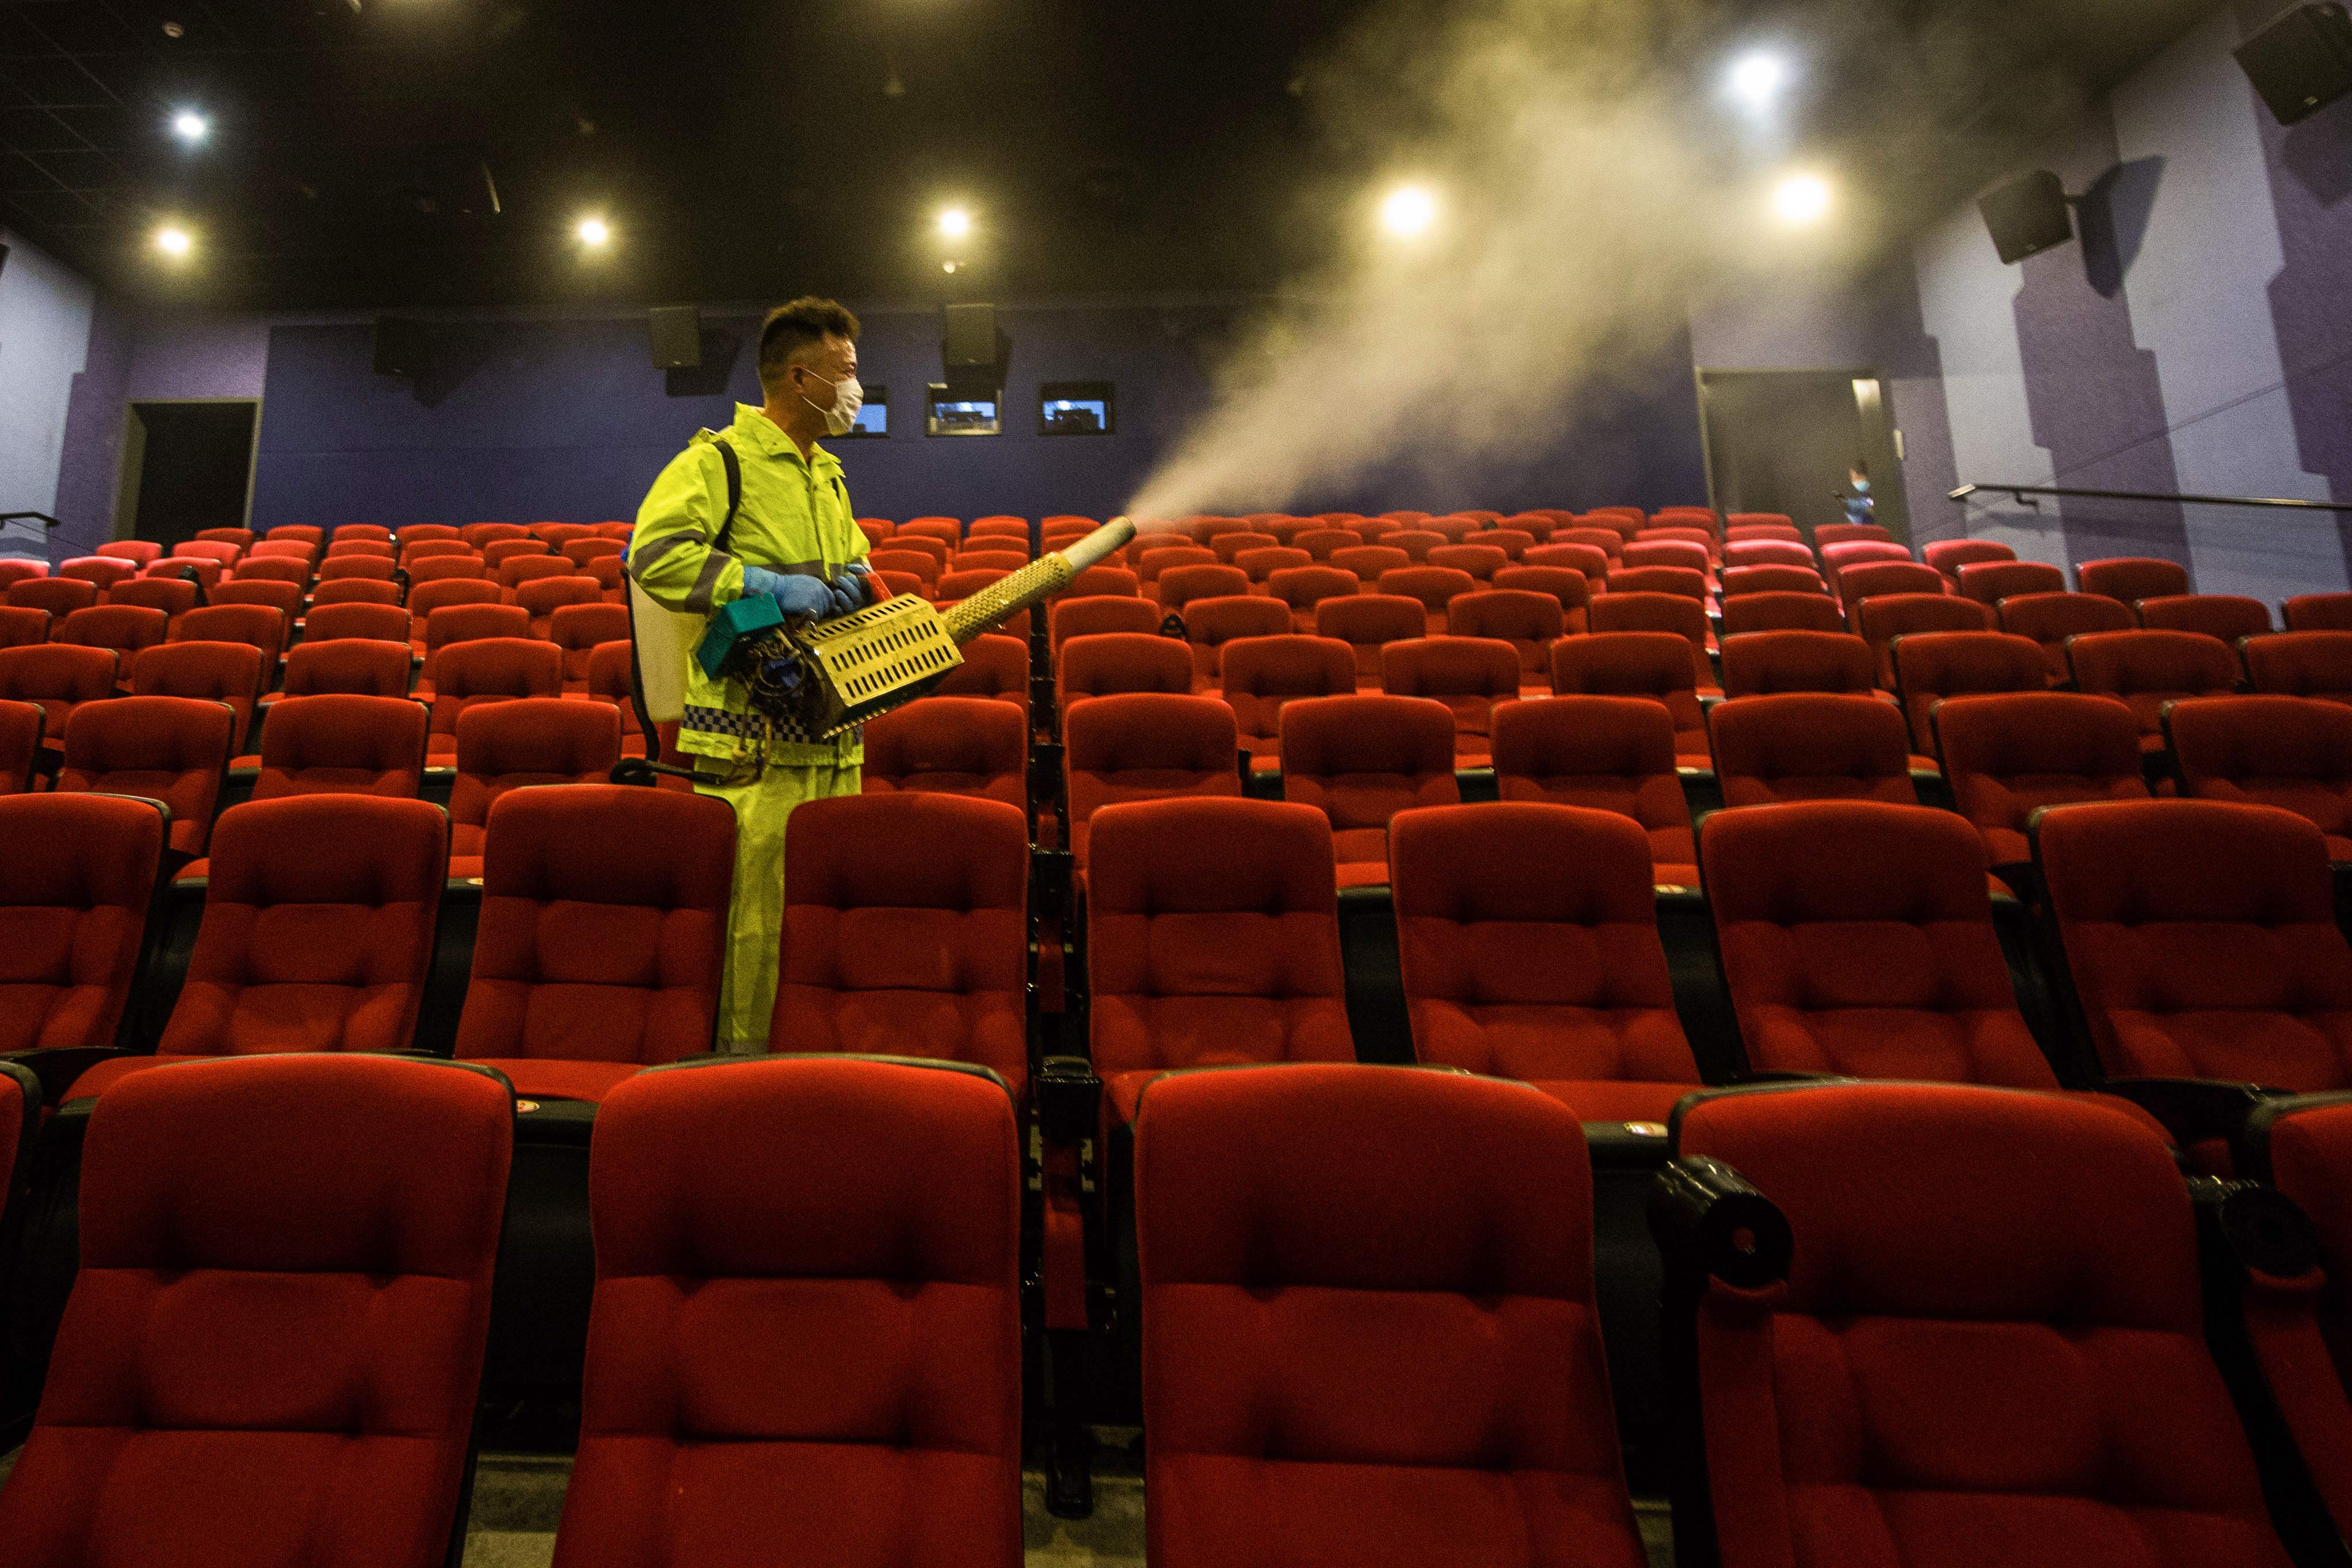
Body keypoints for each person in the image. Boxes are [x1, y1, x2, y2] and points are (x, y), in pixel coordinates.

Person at [628, 297, 878, 1050]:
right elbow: (653, 554)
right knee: (756, 931)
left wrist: (858, 578)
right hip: (751, 744)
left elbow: (855, 554)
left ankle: (812, 1082)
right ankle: (745, 1082)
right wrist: (765, 585)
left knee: (825, 930)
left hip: (833, 734)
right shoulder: (719, 460)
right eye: (845, 373)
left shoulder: (825, 473)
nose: (855, 389)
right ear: (799, 378)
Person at [1841, 462, 1877, 528]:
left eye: (1857, 477)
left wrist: (1849, 503)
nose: (1854, 481)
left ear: (1864, 476)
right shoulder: (1863, 492)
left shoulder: (1869, 491)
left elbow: (1868, 508)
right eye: (1852, 478)